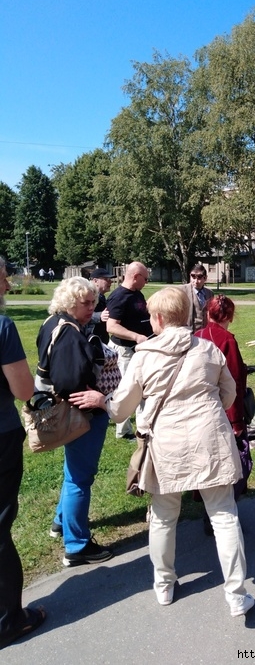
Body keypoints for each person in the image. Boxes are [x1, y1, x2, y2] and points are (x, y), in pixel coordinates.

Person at [70, 287, 255, 616]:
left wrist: (102, 401)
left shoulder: (145, 355)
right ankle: (237, 594)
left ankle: (164, 585)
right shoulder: (209, 350)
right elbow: (228, 395)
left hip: (166, 444)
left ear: (157, 318)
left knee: (163, 519)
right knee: (225, 517)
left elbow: (120, 409)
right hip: (210, 439)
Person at [35, 277, 113, 566]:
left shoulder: (51, 322)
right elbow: (69, 381)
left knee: (72, 473)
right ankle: (77, 545)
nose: (92, 308)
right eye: (87, 303)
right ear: (70, 303)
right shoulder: (69, 333)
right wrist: (94, 392)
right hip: (80, 413)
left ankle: (61, 522)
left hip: (60, 410)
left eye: (93, 301)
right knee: (80, 478)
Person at [0, 259, 46, 650]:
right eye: (3, 279)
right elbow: (22, 389)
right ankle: (9, 621)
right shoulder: (2, 326)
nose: (8, 286)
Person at [195, 295, 253, 532]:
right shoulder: (226, 340)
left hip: (198, 410)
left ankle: (209, 509)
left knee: (206, 461)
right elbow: (235, 382)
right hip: (222, 410)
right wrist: (237, 419)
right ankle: (219, 516)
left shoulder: (195, 336)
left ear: (208, 314)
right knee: (228, 463)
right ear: (230, 316)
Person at [106, 261, 153, 440]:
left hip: (140, 350)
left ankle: (143, 428)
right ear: (135, 277)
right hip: (124, 351)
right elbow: (111, 326)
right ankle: (123, 431)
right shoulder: (118, 297)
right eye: (145, 279)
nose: (146, 282)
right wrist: (136, 336)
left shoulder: (137, 294)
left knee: (143, 390)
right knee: (125, 390)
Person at [178, 264, 214, 332]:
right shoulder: (182, 290)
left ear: (205, 278)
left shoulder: (210, 293)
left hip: (205, 331)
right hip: (188, 331)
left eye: (199, 278)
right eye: (193, 277)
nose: (196, 281)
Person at [89, 267, 115, 344]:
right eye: (106, 279)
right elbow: (78, 314)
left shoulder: (101, 296)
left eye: (110, 279)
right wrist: (99, 316)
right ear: (95, 281)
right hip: (90, 339)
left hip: (101, 339)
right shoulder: (87, 295)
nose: (110, 282)